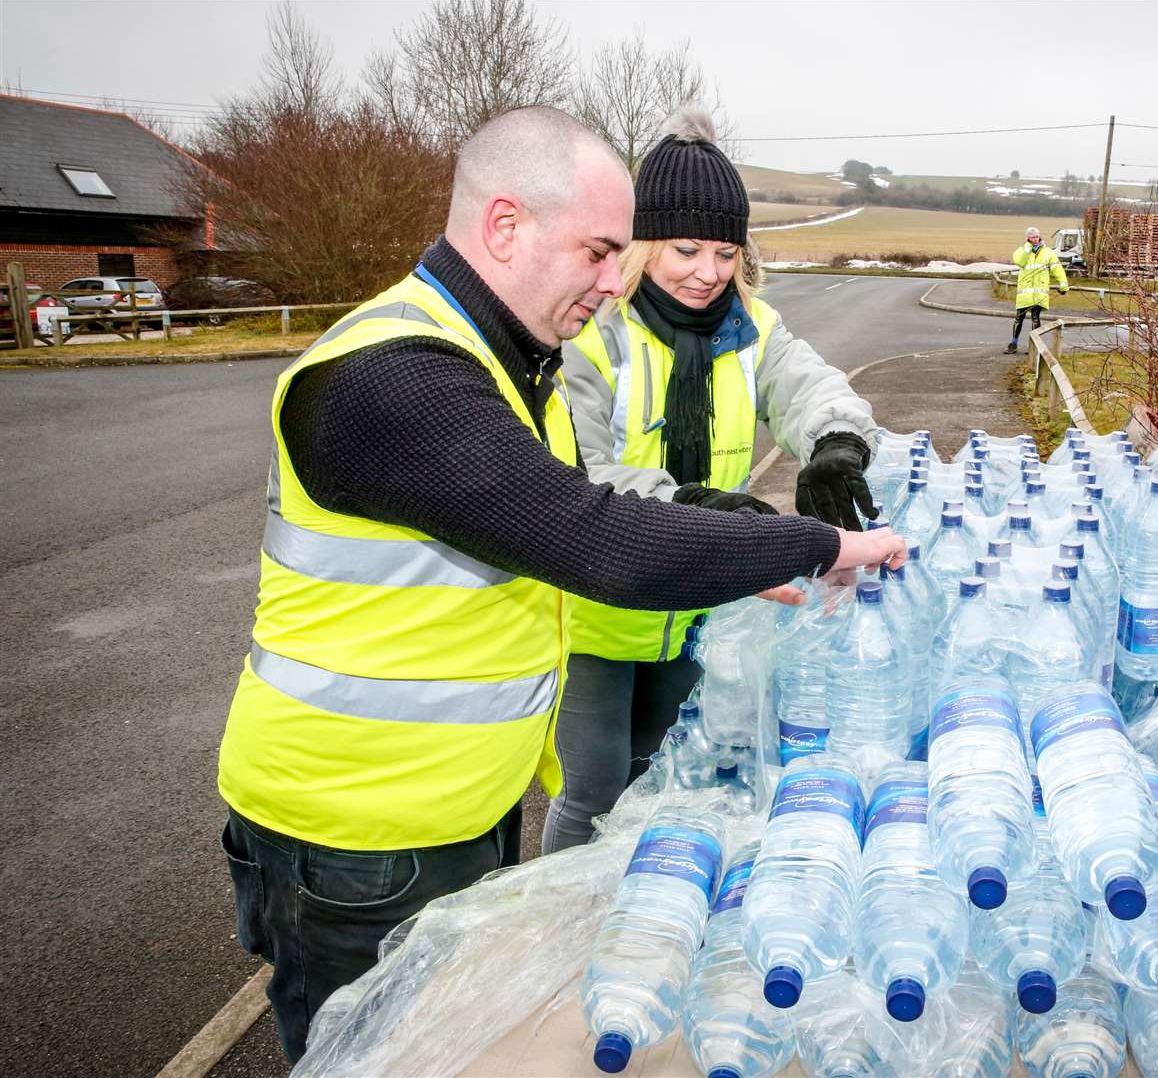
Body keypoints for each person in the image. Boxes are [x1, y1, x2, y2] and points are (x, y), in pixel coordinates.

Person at [214, 106, 904, 1064]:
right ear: (505, 225)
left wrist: (784, 493)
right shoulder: (399, 377)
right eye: (598, 251)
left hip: (455, 807)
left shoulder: (506, 360)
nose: (612, 280)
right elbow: (594, 538)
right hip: (353, 834)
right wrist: (803, 544)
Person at [543, 109, 879, 853]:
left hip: (701, 608)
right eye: (686, 249)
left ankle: (641, 915)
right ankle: (564, 928)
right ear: (642, 245)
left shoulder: (750, 328)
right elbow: (580, 471)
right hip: (593, 616)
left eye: (726, 253)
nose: (707, 273)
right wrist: (698, 509)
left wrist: (838, 445)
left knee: (669, 778)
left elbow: (811, 387)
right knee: (595, 790)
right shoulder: (594, 333)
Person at [1006, 225, 1069, 353]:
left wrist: (1063, 285)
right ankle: (1013, 344)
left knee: (1036, 318)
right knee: (1019, 317)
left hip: (1039, 293)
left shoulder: (1048, 253)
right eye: (1032, 237)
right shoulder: (1021, 251)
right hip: (1025, 293)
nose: (1035, 239)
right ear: (1027, 238)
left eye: (1036, 236)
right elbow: (1019, 261)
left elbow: (1057, 269)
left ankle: (1034, 347)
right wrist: (1027, 248)